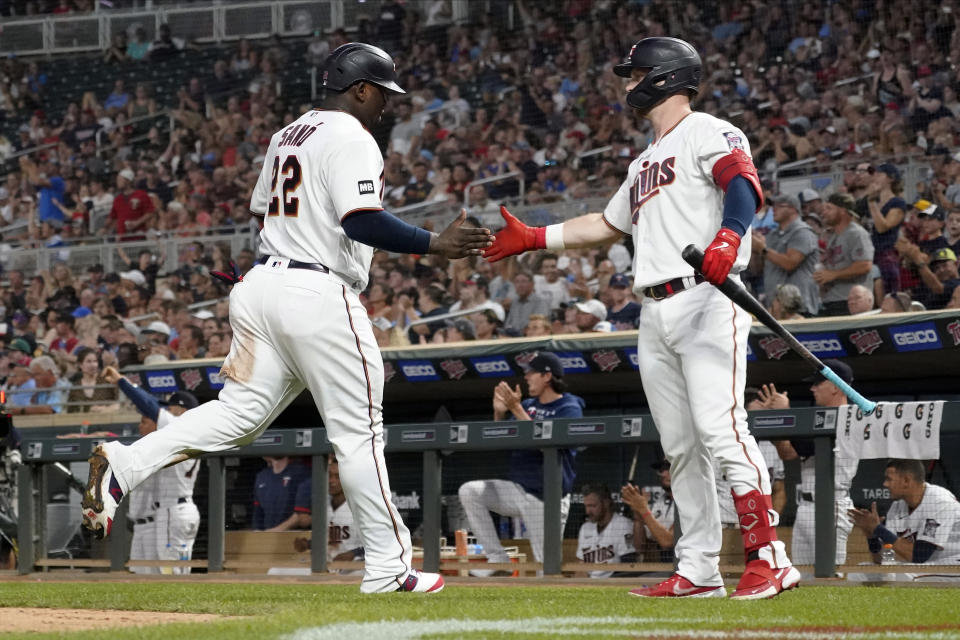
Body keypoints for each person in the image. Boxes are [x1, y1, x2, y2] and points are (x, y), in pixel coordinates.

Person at [80, 43, 491, 595]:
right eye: (383, 94)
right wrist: (434, 243)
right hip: (316, 291)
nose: (387, 106)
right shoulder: (351, 135)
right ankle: (390, 569)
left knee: (238, 415)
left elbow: (264, 210)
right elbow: (362, 220)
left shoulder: (287, 134)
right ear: (361, 89)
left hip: (263, 284)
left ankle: (125, 465)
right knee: (359, 434)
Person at [482, 37, 797, 599]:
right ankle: (698, 570)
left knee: (724, 431)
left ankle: (768, 558)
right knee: (681, 448)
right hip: (653, 309)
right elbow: (606, 224)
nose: (628, 82)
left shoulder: (708, 129)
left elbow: (743, 185)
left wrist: (730, 235)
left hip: (707, 294)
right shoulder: (644, 160)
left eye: (636, 73)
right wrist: (536, 237)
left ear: (666, 77)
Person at [458, 352, 583, 575]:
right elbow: (501, 440)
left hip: (548, 497)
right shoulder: (528, 405)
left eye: (531, 372)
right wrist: (499, 413)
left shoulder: (569, 406)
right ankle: (498, 561)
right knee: (470, 491)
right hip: (518, 489)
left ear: (547, 376)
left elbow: (547, 444)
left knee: (547, 568)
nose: (526, 377)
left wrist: (516, 409)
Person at [101, 364, 201, 574]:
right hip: (180, 508)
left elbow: (148, 405)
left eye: (171, 408)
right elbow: (151, 405)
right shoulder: (189, 432)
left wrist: (121, 381)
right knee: (173, 570)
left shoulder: (180, 425)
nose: (165, 412)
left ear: (182, 411)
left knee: (171, 572)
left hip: (173, 510)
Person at [760, 360, 856, 566]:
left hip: (832, 506)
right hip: (805, 506)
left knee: (830, 574)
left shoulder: (850, 417)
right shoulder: (819, 417)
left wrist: (785, 413)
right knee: (803, 577)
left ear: (836, 386)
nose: (812, 388)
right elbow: (788, 453)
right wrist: (775, 416)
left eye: (818, 383)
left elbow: (806, 447)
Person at [849, 459, 960, 564]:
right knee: (860, 572)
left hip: (953, 564)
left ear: (906, 480)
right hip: (929, 567)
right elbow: (883, 560)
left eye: (889, 479)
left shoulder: (939, 501)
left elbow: (919, 556)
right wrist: (871, 535)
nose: (885, 484)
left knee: (905, 575)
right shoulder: (897, 506)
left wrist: (878, 528)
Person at [751, 193, 820, 316]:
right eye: (773, 206)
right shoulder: (772, 235)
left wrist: (763, 249)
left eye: (779, 206)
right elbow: (759, 269)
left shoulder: (803, 232)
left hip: (798, 307)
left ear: (793, 209)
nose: (773, 209)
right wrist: (754, 249)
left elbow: (790, 263)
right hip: (775, 306)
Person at [815, 193, 875, 316]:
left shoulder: (856, 233)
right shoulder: (833, 236)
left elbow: (865, 265)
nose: (823, 213)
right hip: (832, 299)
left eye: (829, 208)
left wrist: (833, 275)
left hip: (851, 301)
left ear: (842, 211)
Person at [576, 484, 636, 578]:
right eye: (586, 506)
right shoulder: (585, 528)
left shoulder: (623, 525)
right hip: (590, 585)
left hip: (613, 584)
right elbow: (581, 566)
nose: (588, 511)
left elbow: (628, 566)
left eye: (592, 506)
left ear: (606, 503)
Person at [621, 460, 676, 563]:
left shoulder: (691, 500)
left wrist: (643, 510)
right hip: (665, 563)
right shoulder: (659, 502)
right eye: (661, 470)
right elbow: (639, 548)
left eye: (668, 469)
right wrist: (638, 516)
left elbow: (668, 541)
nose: (663, 474)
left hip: (688, 567)